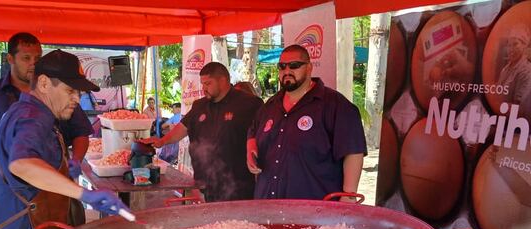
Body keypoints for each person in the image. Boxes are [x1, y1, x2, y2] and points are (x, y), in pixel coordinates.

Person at [0, 49, 128, 229]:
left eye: (79, 93)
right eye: (70, 91)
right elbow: (22, 164)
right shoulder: (32, 117)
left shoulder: (33, 113)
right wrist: (84, 194)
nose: (76, 99)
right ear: (43, 83)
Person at [0, 32, 94, 214]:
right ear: (10, 58)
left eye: (38, 58)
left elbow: (80, 131)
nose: (33, 63)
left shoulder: (57, 94)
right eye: (26, 58)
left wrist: (73, 164)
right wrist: (5, 171)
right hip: (12, 197)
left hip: (55, 192)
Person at [246, 45, 366, 201]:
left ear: (309, 68)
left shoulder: (335, 105)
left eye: (294, 66)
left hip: (315, 210)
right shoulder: (270, 105)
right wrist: (251, 147)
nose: (287, 71)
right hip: (268, 206)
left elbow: (353, 150)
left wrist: (348, 196)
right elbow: (253, 130)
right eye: (282, 67)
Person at [141, 62, 263, 202]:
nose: (204, 88)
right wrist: (162, 141)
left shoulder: (249, 104)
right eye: (202, 84)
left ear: (223, 81)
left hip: (238, 185)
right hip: (205, 183)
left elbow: (263, 135)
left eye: (208, 83)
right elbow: (183, 127)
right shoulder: (200, 105)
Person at [497, 25, 531, 105]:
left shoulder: (527, 71)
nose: (511, 49)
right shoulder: (505, 69)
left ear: (524, 46)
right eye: (509, 45)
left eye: (515, 44)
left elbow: (517, 105)